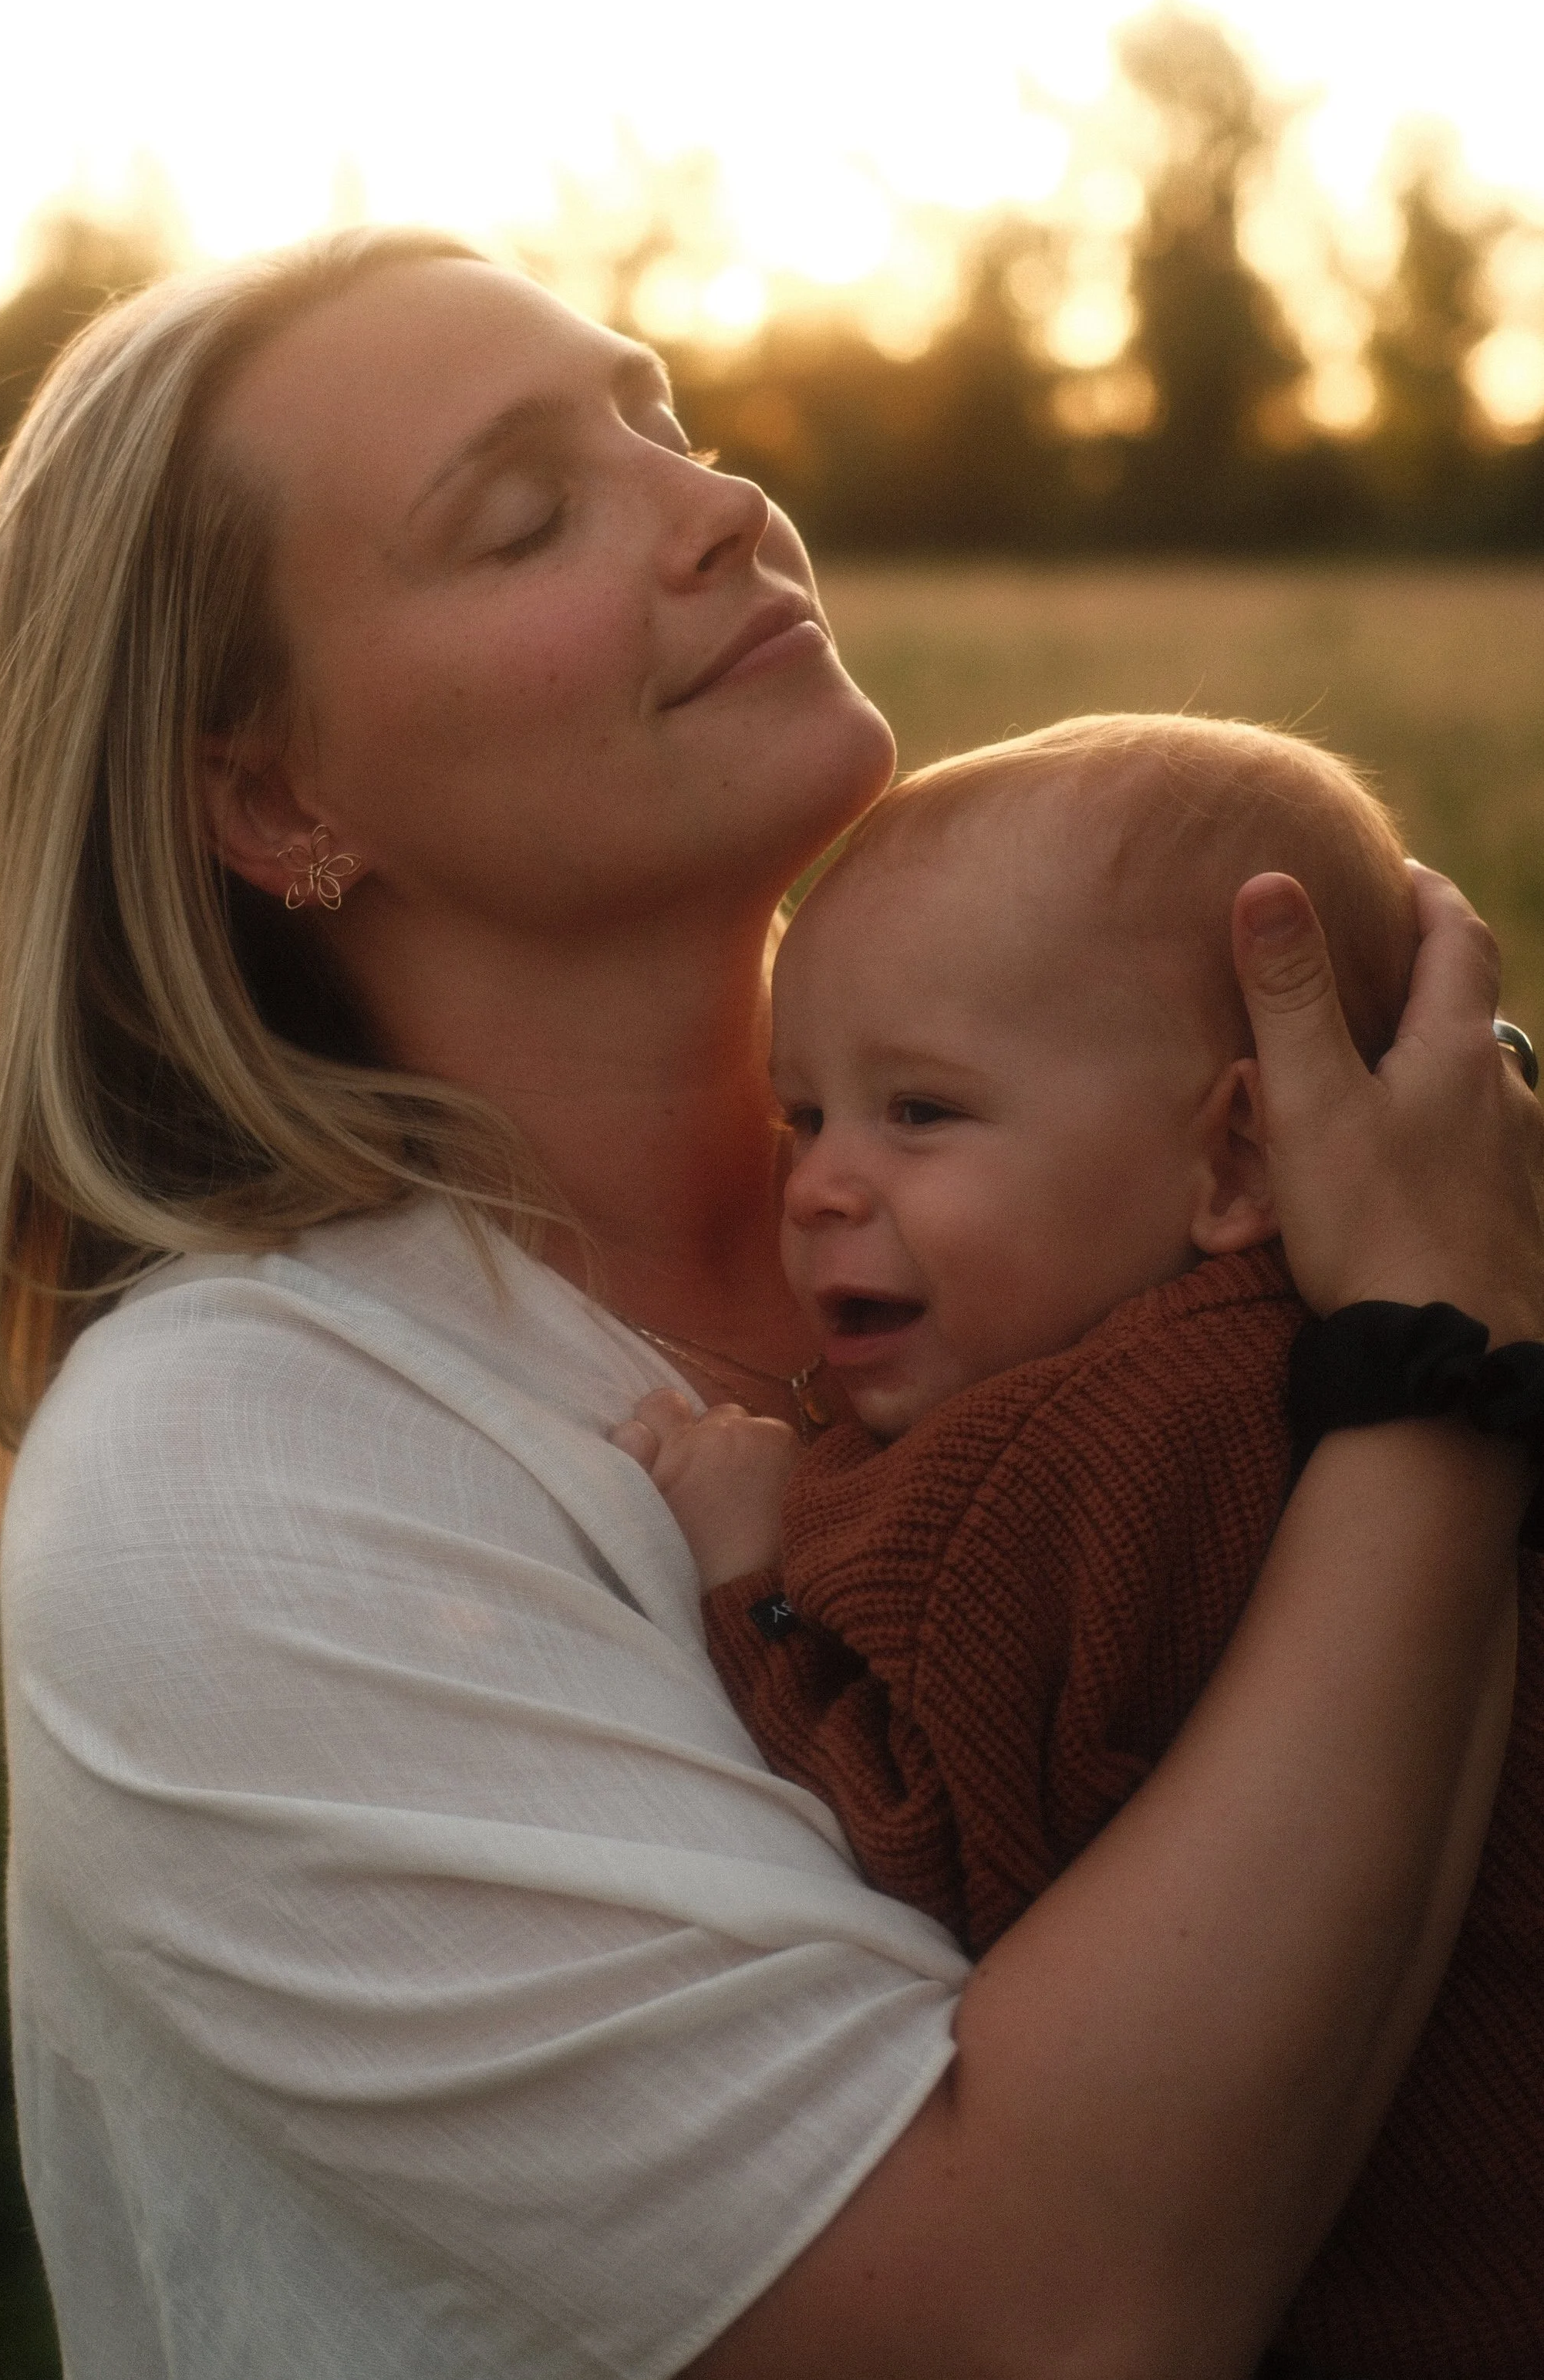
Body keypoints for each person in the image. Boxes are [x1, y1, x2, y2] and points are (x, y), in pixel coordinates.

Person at [0, 225, 1544, 2380]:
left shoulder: (1101, 1187)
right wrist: (1434, 1374)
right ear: (277, 794)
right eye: (524, 516)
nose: (718, 507)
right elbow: (1033, 2321)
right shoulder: (243, 1460)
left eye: (661, 423)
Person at [615, 713, 1544, 2377]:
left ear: (1237, 1156)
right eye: (805, 1115)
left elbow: (933, 1864)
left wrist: (754, 1582)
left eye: (920, 1112)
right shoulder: (1353, 1342)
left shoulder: (1065, 1458)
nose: (823, 1186)